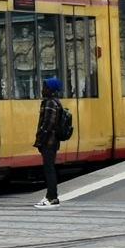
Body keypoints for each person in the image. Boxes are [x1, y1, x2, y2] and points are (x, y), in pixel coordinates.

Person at [32, 74, 74, 208]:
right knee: (49, 168)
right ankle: (51, 196)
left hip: (49, 142)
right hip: (52, 142)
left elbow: (47, 124)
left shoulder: (50, 103)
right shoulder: (55, 102)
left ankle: (52, 197)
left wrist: (40, 140)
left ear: (51, 89)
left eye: (45, 86)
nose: (43, 89)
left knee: (49, 169)